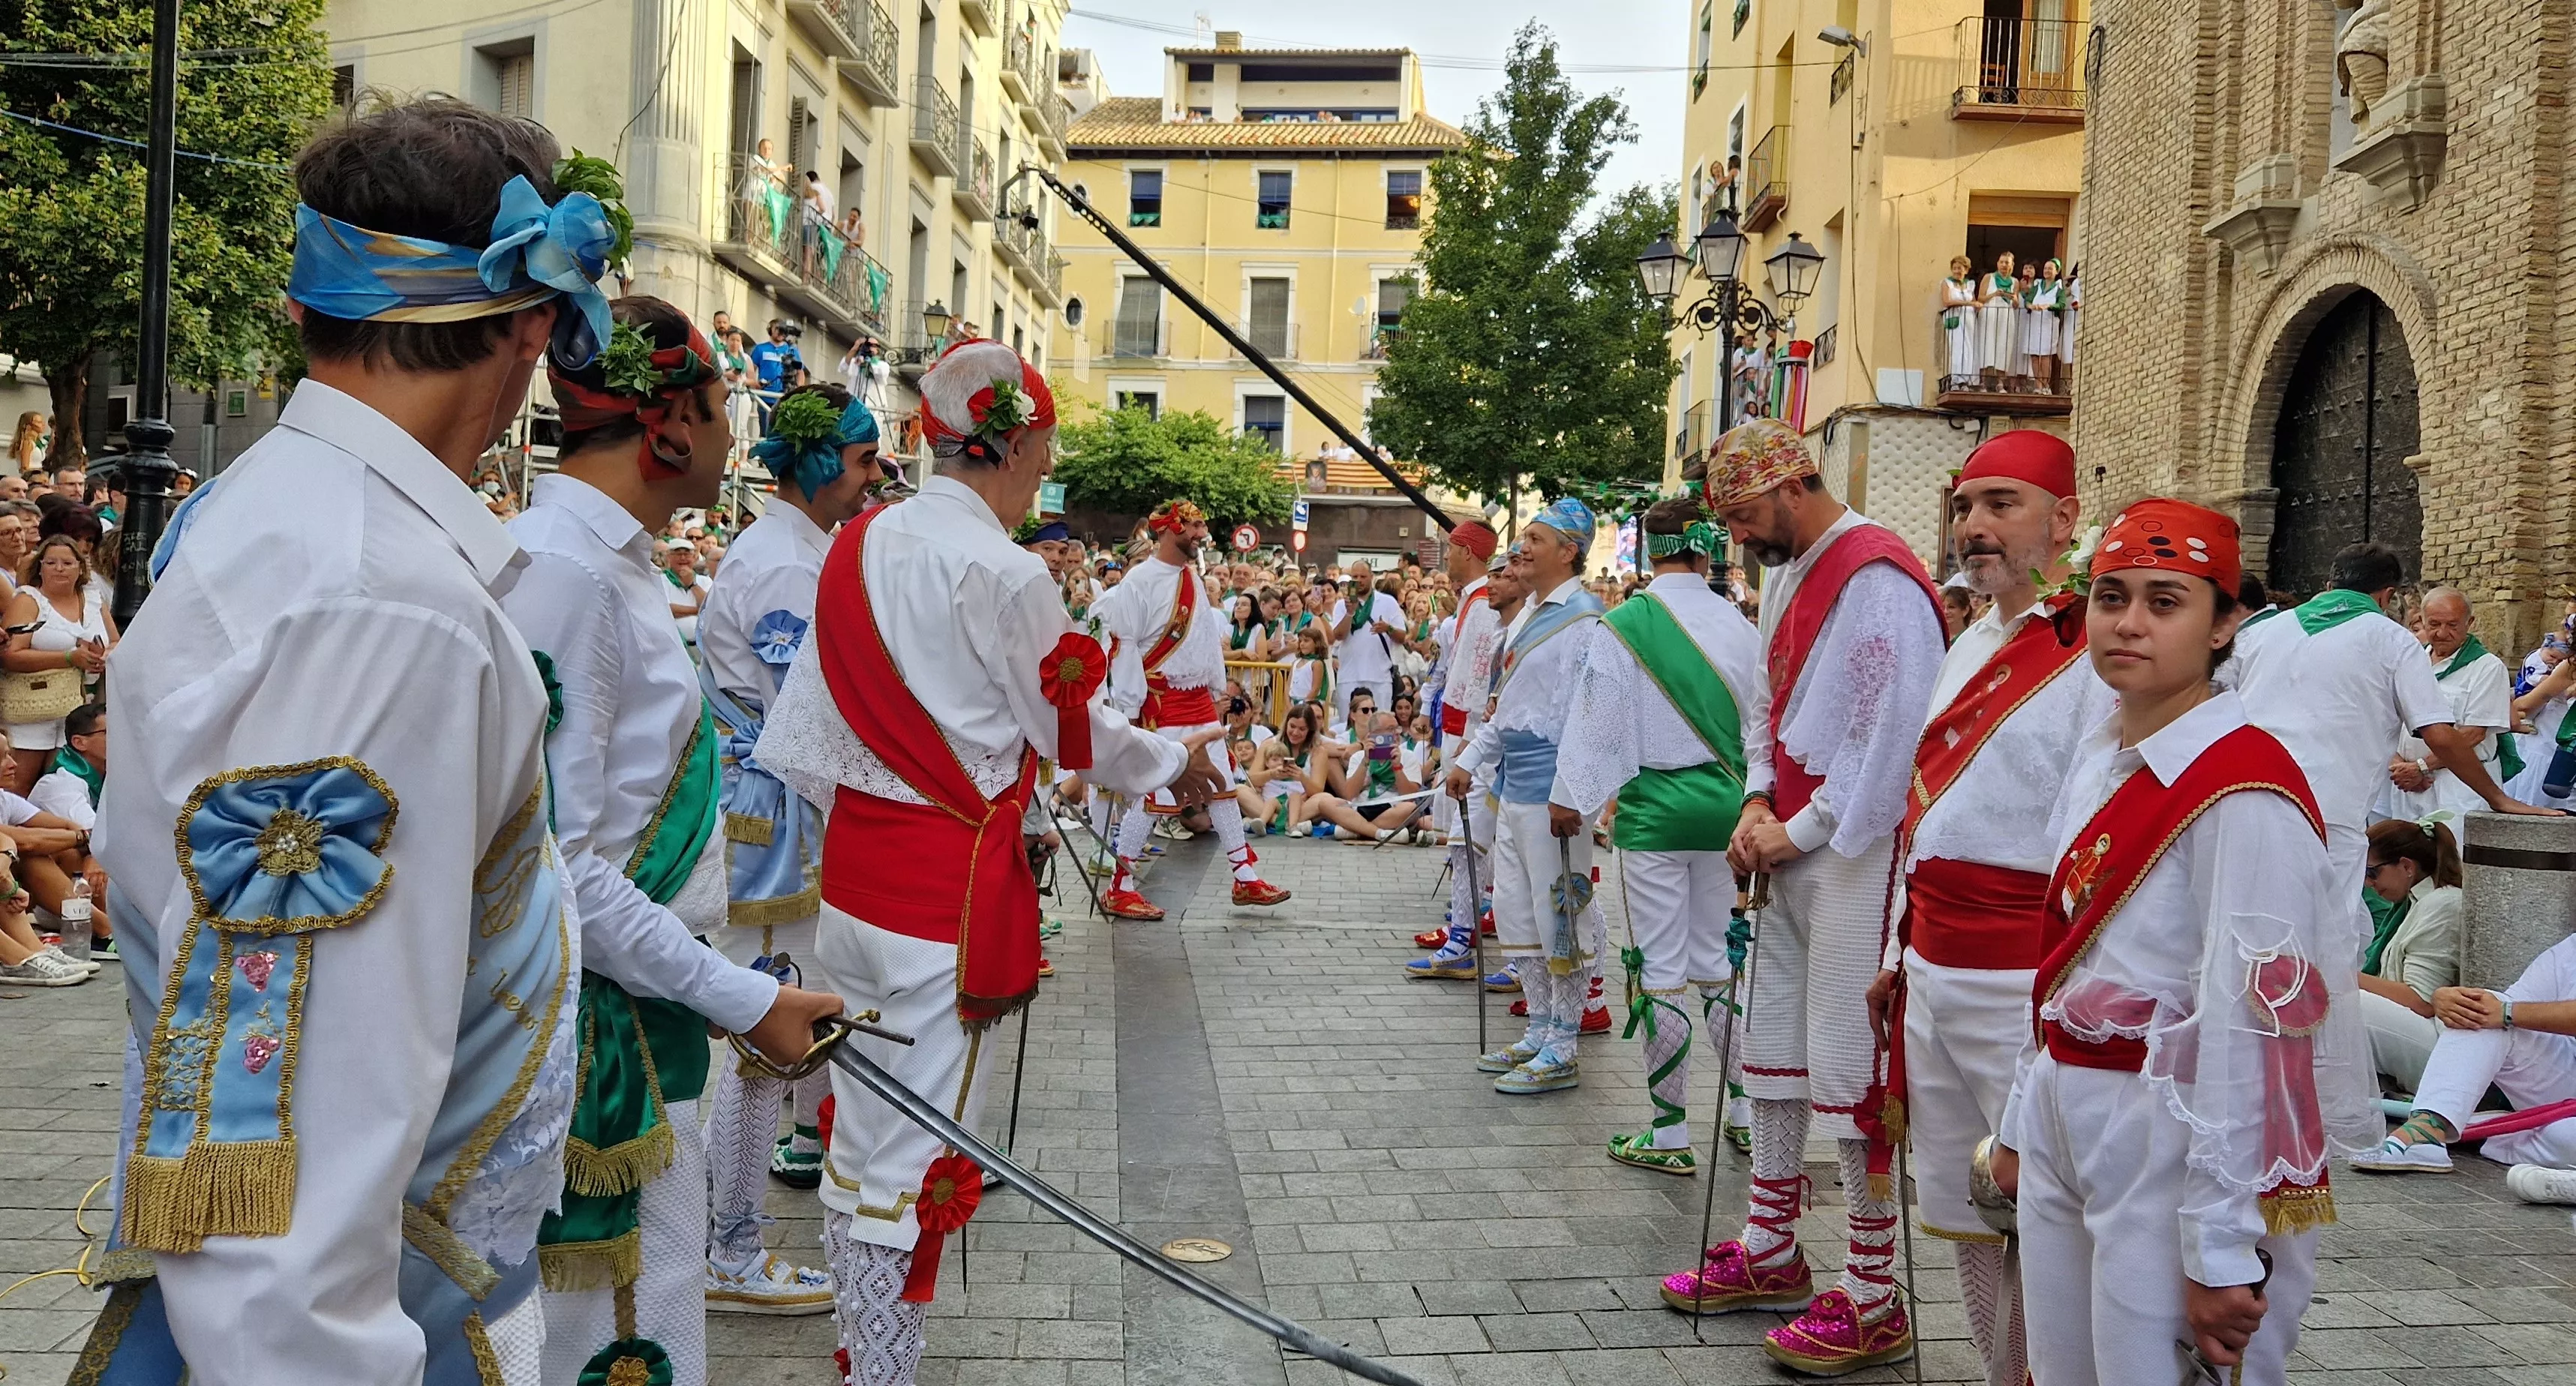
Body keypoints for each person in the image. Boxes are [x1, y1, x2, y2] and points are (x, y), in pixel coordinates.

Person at [83, 98, 604, 1384]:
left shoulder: (299, 520)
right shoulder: (376, 603)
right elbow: (291, 1137)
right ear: (531, 325)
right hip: (373, 1319)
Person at [754, 340, 1227, 1384]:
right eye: (1043, 451)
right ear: (1009, 447)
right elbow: (1070, 731)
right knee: (916, 1158)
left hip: (856, 880)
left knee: (859, 1139)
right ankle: (882, 1373)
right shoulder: (1004, 572)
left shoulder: (859, 540)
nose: (1044, 473)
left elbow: (817, 724)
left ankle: (864, 1354)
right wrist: (1173, 757)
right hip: (943, 897)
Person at [508, 296, 845, 1381]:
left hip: (644, 1003)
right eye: (720, 407)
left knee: (645, 1312)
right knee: (609, 1334)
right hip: (605, 1028)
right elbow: (559, 862)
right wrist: (741, 997)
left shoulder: (607, 561)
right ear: (671, 426)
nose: (735, 431)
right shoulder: (566, 573)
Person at [1989, 498, 2376, 1386]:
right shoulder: (2100, 756)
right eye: (2110, 597)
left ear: (2223, 625)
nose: (2128, 623)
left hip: (2167, 1129)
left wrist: (2220, 1245)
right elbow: (2063, 956)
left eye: (2164, 602)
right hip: (2065, 1110)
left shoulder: (2243, 791)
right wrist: (2021, 1119)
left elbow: (2257, 1032)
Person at [1665, 418, 1944, 1376]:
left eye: (1744, 516)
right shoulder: (1786, 568)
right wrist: (1754, 800)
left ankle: (1873, 1292)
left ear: (1793, 486)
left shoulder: (1877, 576)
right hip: (1787, 838)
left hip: (1854, 849)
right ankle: (1772, 1243)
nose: (1738, 538)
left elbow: (1888, 729)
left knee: (1845, 1061)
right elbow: (1765, 699)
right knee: (1774, 1043)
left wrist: (1805, 826)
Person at [1863, 431, 2109, 1386]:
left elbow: (2094, 835)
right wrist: (1897, 948)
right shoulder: (1965, 639)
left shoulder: (2091, 647)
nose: (1973, 525)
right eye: (1964, 505)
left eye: (2000, 504)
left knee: (2037, 1210)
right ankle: (1992, 1369)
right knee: (1963, 1209)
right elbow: (1926, 814)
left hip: (2022, 975)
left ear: (2064, 518)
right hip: (1932, 961)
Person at [695, 379, 890, 1310]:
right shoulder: (783, 565)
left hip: (784, 817)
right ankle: (729, 1250)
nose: (874, 476)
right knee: (762, 1039)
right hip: (775, 827)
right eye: (862, 459)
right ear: (817, 463)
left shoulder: (796, 550)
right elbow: (802, 727)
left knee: (784, 1024)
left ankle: (736, 1234)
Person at [1552, 497, 1767, 1175]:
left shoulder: (1622, 626)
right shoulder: (1742, 627)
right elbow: (1764, 722)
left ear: (1649, 550)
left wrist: (1570, 798)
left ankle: (1670, 1132)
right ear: (1707, 551)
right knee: (1720, 965)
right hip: (1732, 811)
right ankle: (1746, 1116)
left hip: (1655, 815)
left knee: (1660, 971)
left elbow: (1595, 726)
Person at [2235, 542, 2550, 954]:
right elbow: (2439, 734)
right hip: (2327, 810)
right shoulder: (2393, 640)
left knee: (2251, 917)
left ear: (2329, 585)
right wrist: (2499, 798)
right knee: (2322, 937)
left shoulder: (2262, 632)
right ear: (2388, 595)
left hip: (2246, 796)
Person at [1445, 500, 1609, 1096]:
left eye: (1536, 539)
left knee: (1561, 916)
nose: (1522, 548)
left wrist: (1571, 793)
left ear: (1568, 551)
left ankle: (1565, 1040)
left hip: (1555, 796)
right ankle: (1540, 1027)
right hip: (1513, 786)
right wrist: (1469, 761)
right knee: (1517, 911)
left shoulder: (1585, 621)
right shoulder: (1530, 616)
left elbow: (1591, 718)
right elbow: (1507, 709)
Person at [1089, 499, 1292, 919]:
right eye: (1193, 526)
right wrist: (1129, 708)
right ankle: (1120, 886)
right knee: (1156, 792)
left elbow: (1203, 640)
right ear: (1168, 530)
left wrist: (1217, 686)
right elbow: (1125, 646)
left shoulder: (1191, 577)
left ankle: (1245, 877)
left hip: (1199, 701)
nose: (1201, 534)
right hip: (1162, 704)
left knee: (1221, 785)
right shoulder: (1140, 581)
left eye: (1201, 526)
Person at [2351, 934, 2576, 1203]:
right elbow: (2505, 1005)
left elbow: (2509, 1010)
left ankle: (2495, 1136)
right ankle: (2427, 1129)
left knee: (2564, 1136)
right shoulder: (2570, 950)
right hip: (2564, 1084)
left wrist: (2506, 1012)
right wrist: (2451, 1002)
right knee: (2477, 1009)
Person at [1407, 522, 1503, 974]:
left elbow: (1478, 679)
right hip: (1464, 732)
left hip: (1472, 736)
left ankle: (1463, 936)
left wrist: (1467, 739)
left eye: (1451, 548)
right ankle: (1469, 922)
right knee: (1469, 840)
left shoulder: (1483, 604)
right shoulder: (1472, 601)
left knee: (1469, 841)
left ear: (1467, 550)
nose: (1446, 556)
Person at [2348, 816, 2462, 1093]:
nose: (2367, 883)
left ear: (2407, 866)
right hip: (2425, 1034)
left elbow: (2422, 1001)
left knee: (2346, 1001)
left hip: (2444, 1051)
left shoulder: (2441, 904)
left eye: (2372, 872)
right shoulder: (2415, 903)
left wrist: (2342, 977)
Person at [2379, 587, 2513, 820]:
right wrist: (2397, 763)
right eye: (2434, 624)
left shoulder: (2487, 667)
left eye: (2452, 625)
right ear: (2421, 620)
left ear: (2469, 623)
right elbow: (2386, 719)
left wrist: (2421, 767)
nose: (2442, 633)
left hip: (2458, 786)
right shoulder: (2410, 661)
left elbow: (2474, 734)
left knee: (2455, 844)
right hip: (2407, 784)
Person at [2, 534, 113, 794]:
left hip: (77, 706)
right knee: (19, 783)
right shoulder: (28, 600)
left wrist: (103, 656)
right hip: (32, 706)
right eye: (51, 563)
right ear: (40, 568)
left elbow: (116, 640)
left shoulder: (93, 598)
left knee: (65, 782)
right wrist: (68, 658)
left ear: (80, 567)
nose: (59, 569)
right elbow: (9, 654)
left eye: (67, 563)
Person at [1329, 558, 1404, 723]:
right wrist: (1350, 613)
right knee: (1348, 725)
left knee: (1380, 726)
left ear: (1371, 577)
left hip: (1380, 677)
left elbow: (1402, 637)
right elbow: (1339, 636)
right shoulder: (1342, 605)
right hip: (1349, 676)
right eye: (1355, 577)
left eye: (1363, 577)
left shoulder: (1388, 602)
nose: (1359, 581)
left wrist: (1388, 629)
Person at [1977, 252, 2022, 390]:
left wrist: (2014, 298)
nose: (2004, 265)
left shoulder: (2015, 282)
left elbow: (2016, 305)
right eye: (2001, 262)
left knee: (2004, 346)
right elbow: (1980, 298)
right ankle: (1983, 382)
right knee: (1986, 345)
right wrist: (1994, 294)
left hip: (2006, 316)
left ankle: (2000, 383)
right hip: (1989, 315)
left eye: (2007, 263)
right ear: (1997, 264)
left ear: (2012, 265)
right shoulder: (1989, 277)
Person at [665, 538, 711, 657]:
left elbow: (711, 607)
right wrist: (698, 610)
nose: (683, 558)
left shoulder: (705, 581)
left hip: (702, 647)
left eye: (687, 554)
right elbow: (667, 610)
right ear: (669, 557)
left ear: (694, 558)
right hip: (675, 648)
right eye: (678, 554)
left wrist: (692, 585)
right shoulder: (662, 579)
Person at [1938, 256, 1980, 386]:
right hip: (1955, 318)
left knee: (1970, 347)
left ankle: (1970, 380)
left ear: (1966, 270)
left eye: (1960, 268)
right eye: (1954, 268)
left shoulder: (1970, 284)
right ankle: (1957, 379)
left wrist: (1977, 306)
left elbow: (1974, 301)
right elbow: (1947, 302)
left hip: (1969, 318)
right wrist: (1968, 303)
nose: (1957, 271)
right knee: (1957, 348)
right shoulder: (1947, 283)